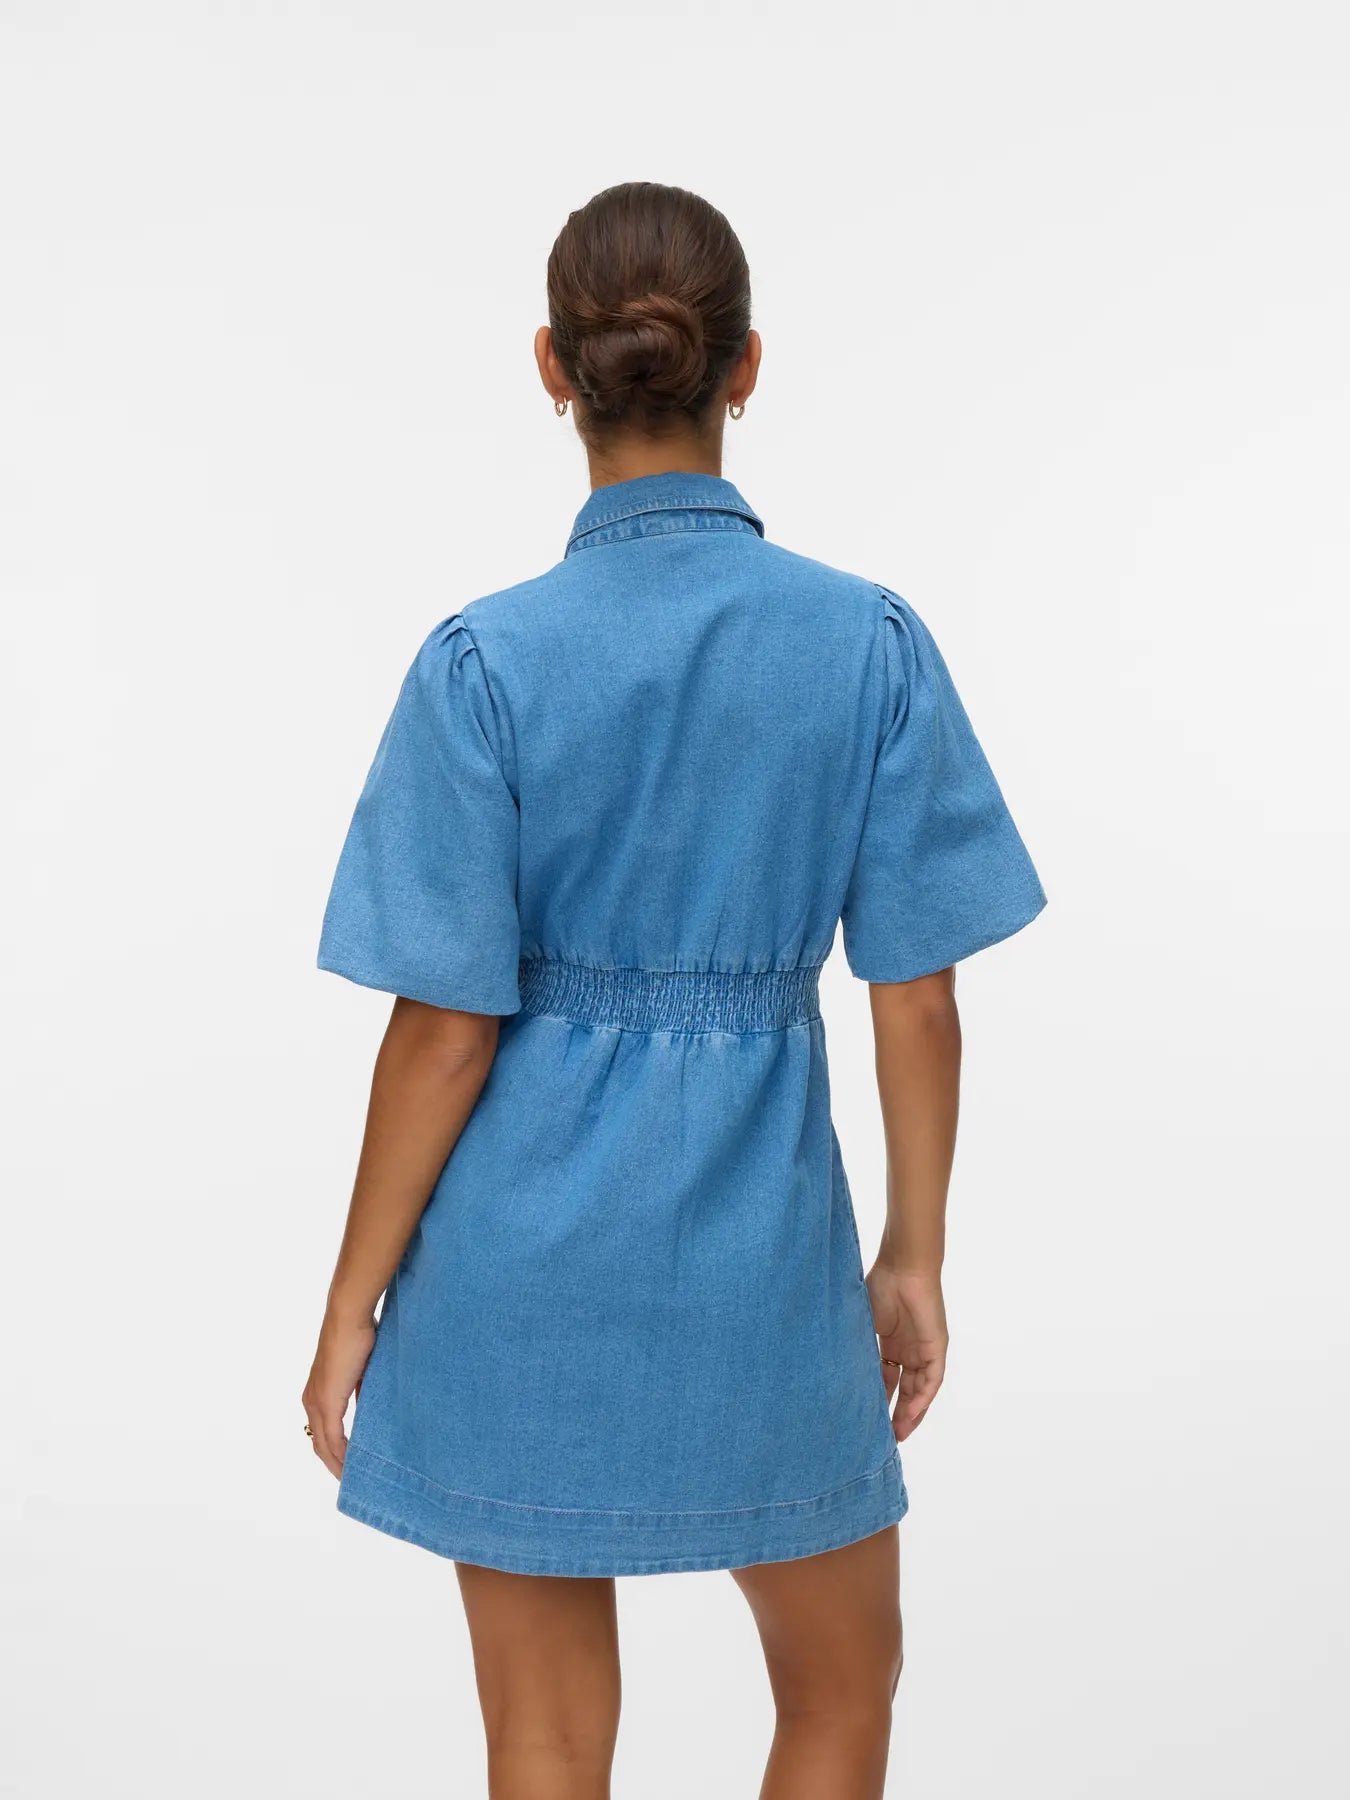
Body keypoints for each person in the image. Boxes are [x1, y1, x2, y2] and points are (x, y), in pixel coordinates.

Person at [303, 180, 1046, 1800]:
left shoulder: (482, 662)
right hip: (759, 1261)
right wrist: (912, 1252)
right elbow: (914, 1000)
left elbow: (443, 1032)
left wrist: (355, 1296)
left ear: (550, 368)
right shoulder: (866, 643)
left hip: (510, 1268)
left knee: (547, 1737)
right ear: (746, 366)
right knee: (841, 1688)